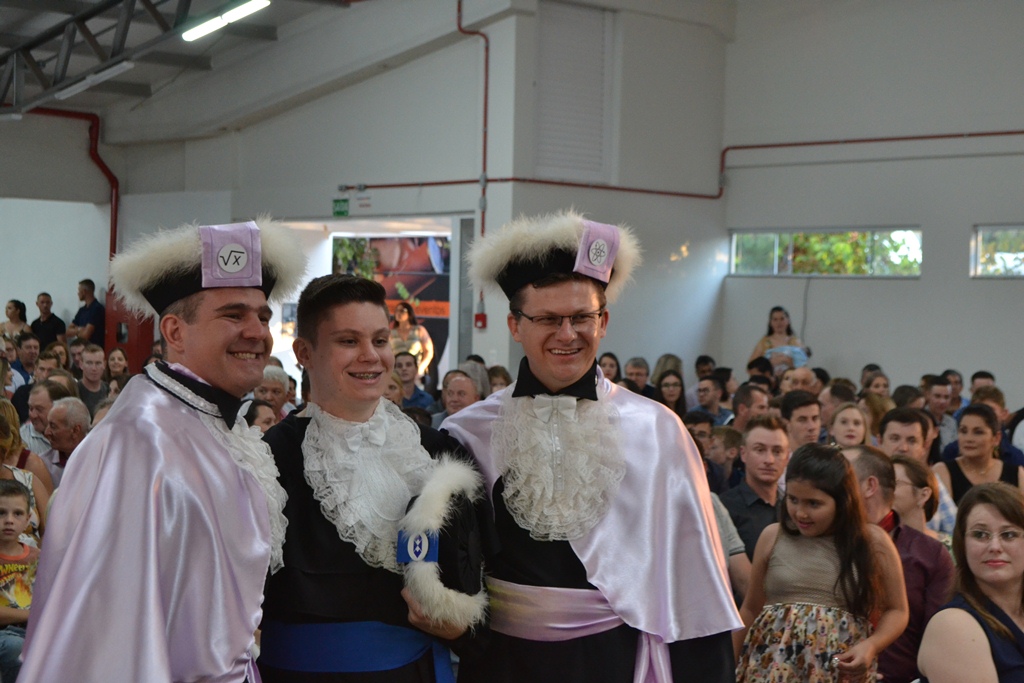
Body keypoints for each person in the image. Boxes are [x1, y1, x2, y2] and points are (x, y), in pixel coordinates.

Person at [444, 210, 739, 682]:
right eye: (548, 318)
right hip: (502, 665)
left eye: (582, 317)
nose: (568, 334)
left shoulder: (658, 431)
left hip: (615, 662)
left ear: (603, 321)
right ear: (515, 325)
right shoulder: (467, 433)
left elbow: (694, 586)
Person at [19, 218, 306, 682]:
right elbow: (106, 641)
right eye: (234, 315)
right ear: (174, 332)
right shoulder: (137, 444)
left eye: (263, 316)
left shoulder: (214, 423)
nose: (258, 332)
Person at [258, 274, 486, 682]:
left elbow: (476, 588)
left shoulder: (436, 452)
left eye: (380, 340)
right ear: (304, 352)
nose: (370, 356)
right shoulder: (272, 457)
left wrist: (459, 627)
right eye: (348, 341)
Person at [735, 444, 909, 682]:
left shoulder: (872, 541)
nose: (801, 513)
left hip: (836, 672)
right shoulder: (772, 536)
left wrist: (872, 645)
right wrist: (727, 666)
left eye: (813, 503)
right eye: (793, 500)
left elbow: (897, 610)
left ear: (842, 501)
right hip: (769, 670)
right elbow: (750, 609)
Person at [847, 445, 954, 683]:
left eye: (843, 478)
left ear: (870, 486)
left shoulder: (930, 554)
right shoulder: (827, 543)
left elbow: (938, 636)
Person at [918, 483, 1024, 683]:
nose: (995, 546)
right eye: (980, 535)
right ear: (962, 544)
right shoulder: (952, 627)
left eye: (1009, 534)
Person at [721, 415, 790, 559]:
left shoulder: (793, 507)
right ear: (743, 454)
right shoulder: (724, 508)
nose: (769, 460)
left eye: (777, 451)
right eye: (760, 450)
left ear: (787, 458)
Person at [935, 404, 1024, 505]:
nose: (968, 439)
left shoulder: (1016, 474)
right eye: (963, 431)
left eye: (978, 432)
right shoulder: (942, 471)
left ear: (996, 438)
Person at [0, 480, 40, 682]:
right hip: (4, 635)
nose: (9, 520)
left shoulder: (38, 557)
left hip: (35, 630)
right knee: (16, 648)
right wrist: (31, 615)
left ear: (27, 520)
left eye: (17, 513)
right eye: (1, 513)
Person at [748, 306, 803, 373]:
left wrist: (787, 360)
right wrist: (769, 363)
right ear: (770, 322)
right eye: (775, 319)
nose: (779, 323)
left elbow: (803, 367)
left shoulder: (795, 342)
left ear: (788, 321)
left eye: (782, 319)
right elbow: (750, 367)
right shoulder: (764, 342)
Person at [390, 301, 434, 378]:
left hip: (416, 371)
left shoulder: (419, 330)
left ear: (409, 313)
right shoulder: (390, 333)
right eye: (396, 311)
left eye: (402, 311)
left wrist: (421, 368)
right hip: (396, 371)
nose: (398, 313)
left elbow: (428, 352)